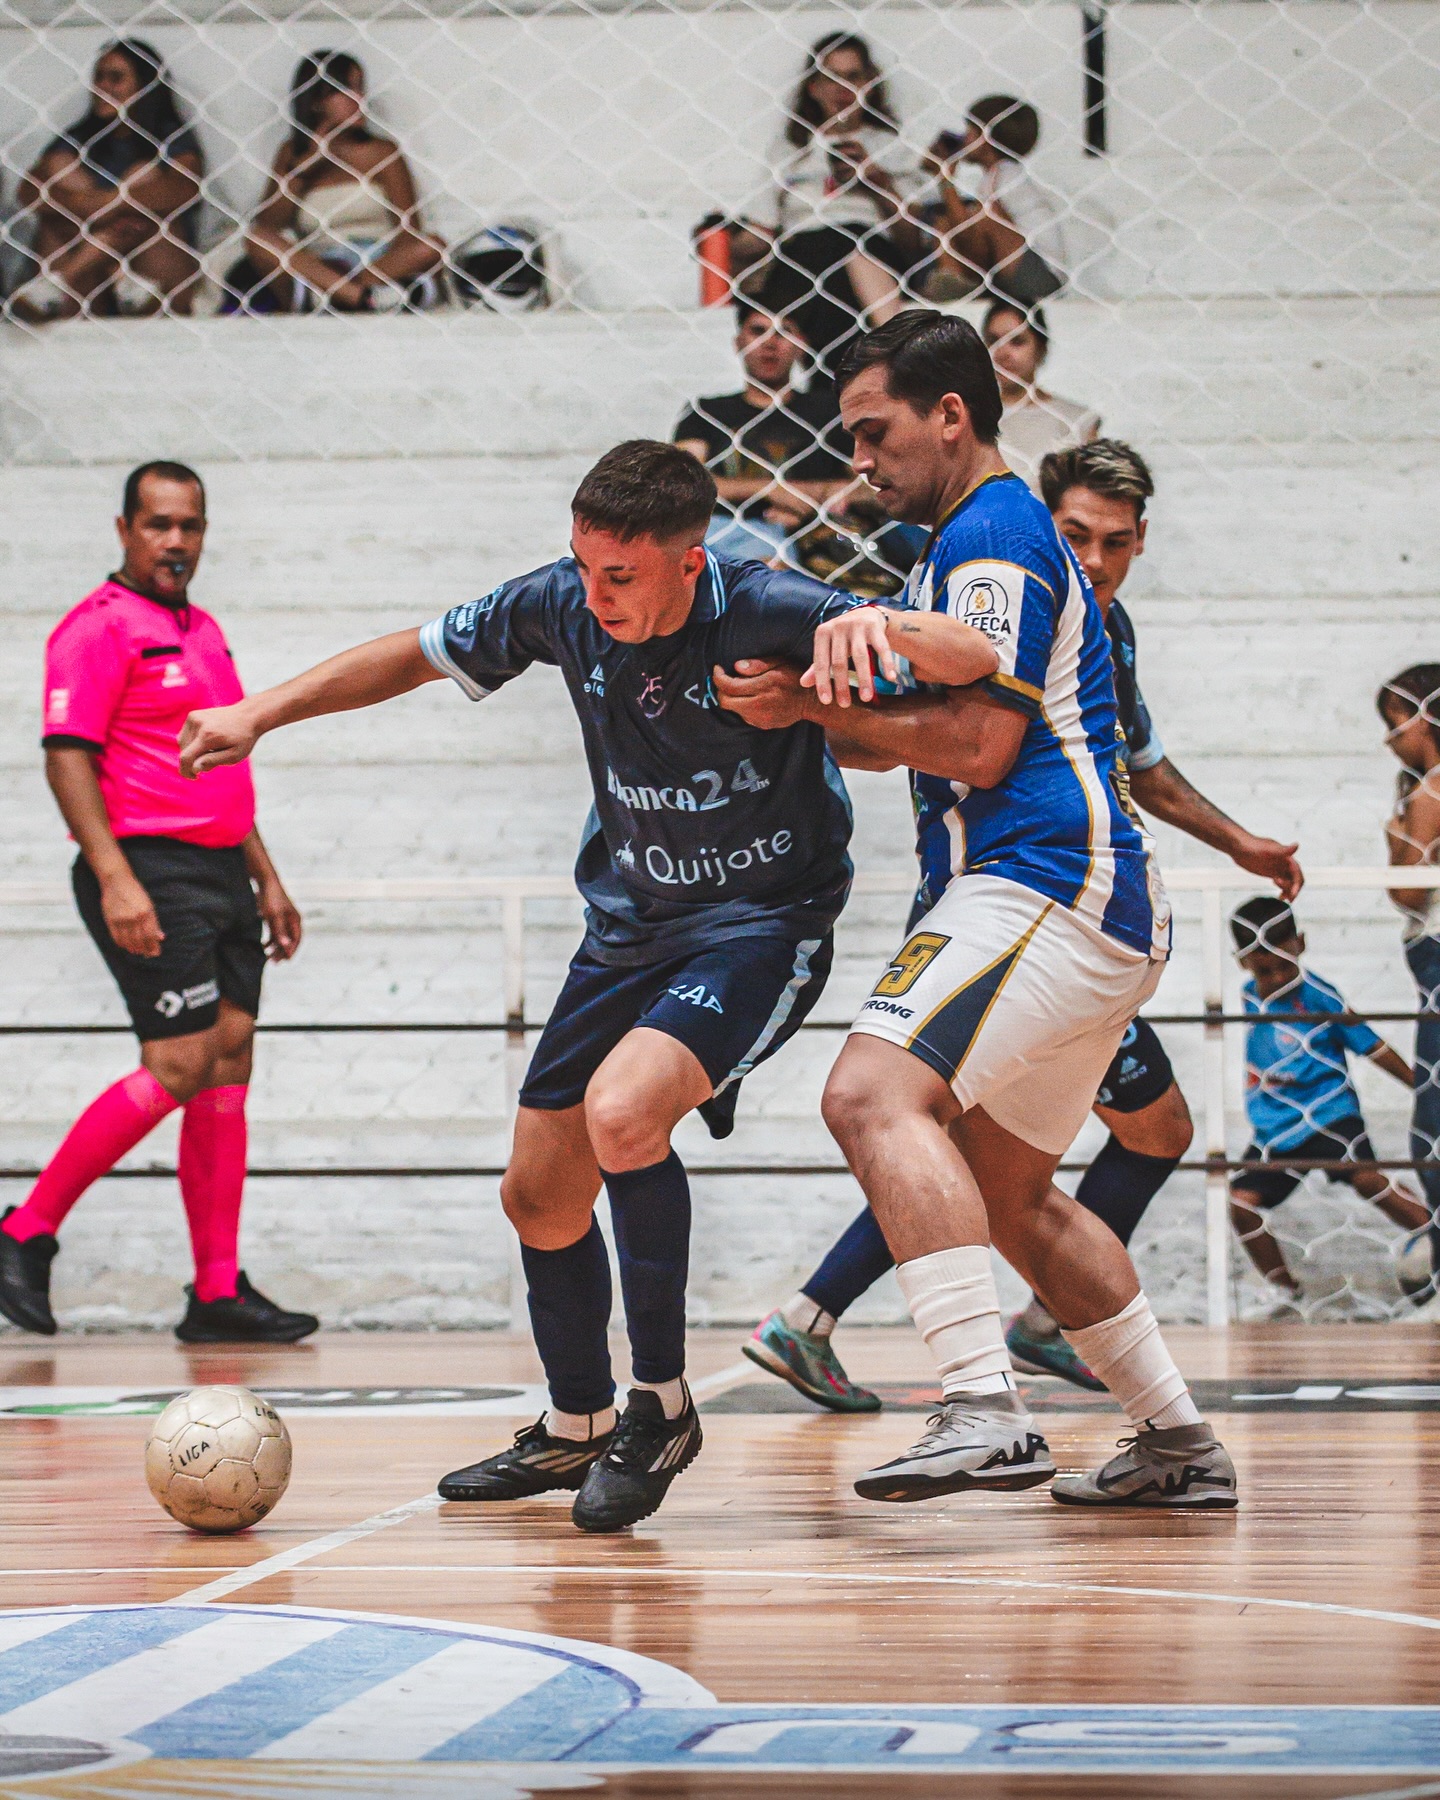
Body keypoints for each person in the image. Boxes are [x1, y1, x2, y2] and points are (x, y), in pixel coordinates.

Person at [176, 439, 1000, 1534]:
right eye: (584, 566)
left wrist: (871, 630)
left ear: (688, 561)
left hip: (761, 926)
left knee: (622, 1113)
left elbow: (971, 659)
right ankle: (574, 1428)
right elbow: (412, 655)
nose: (595, 593)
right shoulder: (558, 606)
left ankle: (659, 1408)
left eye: (621, 575)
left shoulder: (767, 604)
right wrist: (259, 714)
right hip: (627, 929)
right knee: (537, 1192)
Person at [720, 314, 1236, 1508]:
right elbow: (923, 737)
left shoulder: (995, 531)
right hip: (1080, 897)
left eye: (874, 430)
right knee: (1012, 1197)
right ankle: (1176, 1442)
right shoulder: (959, 544)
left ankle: (981, 1408)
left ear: (951, 413)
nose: (860, 458)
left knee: (867, 1091)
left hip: (1045, 878)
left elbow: (984, 745)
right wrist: (808, 704)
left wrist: (820, 702)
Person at [745, 435, 1304, 1409]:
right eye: (1076, 535)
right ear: (1042, 525)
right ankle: (976, 1372)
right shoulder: (978, 591)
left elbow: (1140, 763)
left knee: (994, 1147)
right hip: (1021, 908)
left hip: (1063, 910)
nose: (1093, 558)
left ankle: (1073, 1391)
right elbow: (922, 736)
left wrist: (1239, 842)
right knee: (971, 1144)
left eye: (1116, 541)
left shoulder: (1098, 628)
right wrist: (800, 697)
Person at [0, 463, 315, 1345]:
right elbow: (66, 756)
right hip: (147, 866)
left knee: (229, 1057)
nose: (176, 542)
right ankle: (24, 1232)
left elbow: (222, 757)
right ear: (124, 530)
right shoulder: (96, 629)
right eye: (158, 525)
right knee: (180, 1060)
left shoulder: (204, 629)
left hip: (221, 871)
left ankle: (216, 1293)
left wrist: (266, 874)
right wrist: (114, 877)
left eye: (191, 526)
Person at [1227, 897, 1433, 1307]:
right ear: (1244, 962)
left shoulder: (1321, 997)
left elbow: (1371, 1045)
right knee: (1240, 1204)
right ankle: (1283, 1289)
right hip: (1276, 1129)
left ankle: (1432, 1236)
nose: (1278, 976)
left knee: (1368, 1180)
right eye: (1266, 969)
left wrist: (1422, 1086)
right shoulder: (1249, 996)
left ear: (1300, 943)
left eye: (1286, 965)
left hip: (1328, 1114)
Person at [746, 34, 922, 375]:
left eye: (853, 76)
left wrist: (876, 180)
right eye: (832, 77)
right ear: (814, 87)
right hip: (803, 249)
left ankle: (827, 381)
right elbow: (762, 227)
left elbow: (914, 236)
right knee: (820, 256)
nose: (843, 88)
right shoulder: (789, 150)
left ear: (869, 82)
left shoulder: (889, 145)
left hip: (868, 247)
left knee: (845, 248)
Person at [234, 50, 444, 314]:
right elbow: (269, 226)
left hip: (378, 264)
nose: (359, 99)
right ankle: (358, 298)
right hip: (318, 265)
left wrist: (378, 269)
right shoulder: (292, 153)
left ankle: (344, 295)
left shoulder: (382, 152)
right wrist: (305, 168)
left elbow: (409, 231)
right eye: (345, 89)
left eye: (361, 87)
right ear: (315, 101)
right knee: (256, 239)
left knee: (433, 245)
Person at [9, 40, 203, 322]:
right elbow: (29, 189)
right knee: (58, 169)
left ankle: (58, 282)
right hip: (96, 267)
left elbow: (183, 188)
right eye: (98, 77)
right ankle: (115, 273)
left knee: (143, 175)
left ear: (145, 85)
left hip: (151, 262)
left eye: (116, 78)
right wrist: (90, 207)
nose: (103, 86)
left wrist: (110, 202)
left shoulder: (169, 136)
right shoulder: (80, 136)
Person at [673, 296, 850, 564]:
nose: (770, 343)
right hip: (729, 530)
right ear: (738, 343)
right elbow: (680, 484)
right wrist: (771, 490)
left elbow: (870, 482)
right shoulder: (706, 412)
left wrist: (808, 500)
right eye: (758, 331)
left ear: (801, 345)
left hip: (818, 530)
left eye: (783, 332)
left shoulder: (828, 410)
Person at [1378, 665, 1440, 1270]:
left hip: (1436, 955)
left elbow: (1409, 893)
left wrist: (1395, 830)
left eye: (1394, 726)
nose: (1390, 741)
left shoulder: (1431, 790)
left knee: (1432, 1128)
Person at [931, 95, 1066, 308]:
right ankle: (956, 282)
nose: (964, 139)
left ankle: (968, 283)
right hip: (1012, 272)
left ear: (986, 136)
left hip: (1039, 275)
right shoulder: (992, 177)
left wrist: (946, 180)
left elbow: (976, 229)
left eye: (971, 132)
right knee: (944, 224)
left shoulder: (1007, 175)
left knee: (983, 218)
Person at [984, 301, 1098, 494]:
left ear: (1041, 348)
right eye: (994, 341)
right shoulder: (971, 416)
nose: (1002, 353)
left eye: (1017, 341)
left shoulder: (1076, 420)